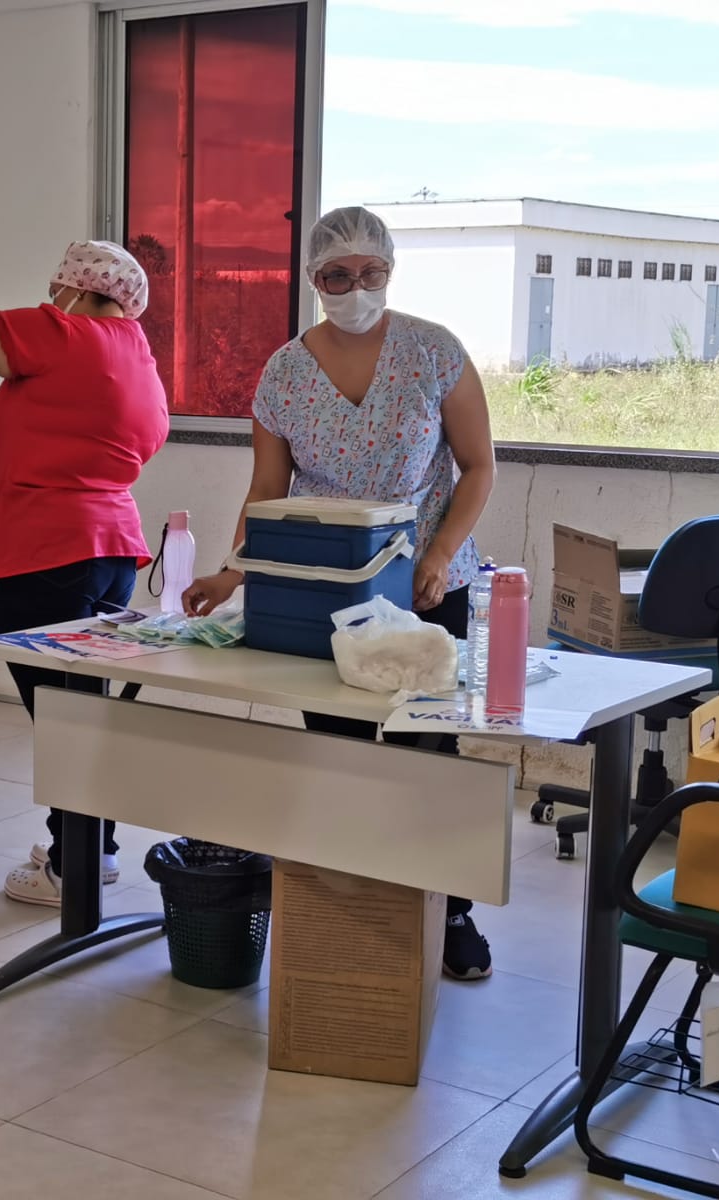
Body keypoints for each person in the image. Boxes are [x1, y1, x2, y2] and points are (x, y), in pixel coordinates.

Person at [183, 206, 498, 981]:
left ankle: (448, 912)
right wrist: (234, 569)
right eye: (337, 276)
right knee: (339, 751)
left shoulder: (434, 352)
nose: (356, 289)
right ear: (313, 279)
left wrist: (441, 553)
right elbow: (268, 487)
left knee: (431, 752)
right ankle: (358, 906)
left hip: (429, 585)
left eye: (372, 274)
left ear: (389, 271)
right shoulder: (285, 372)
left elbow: (479, 465)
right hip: (326, 587)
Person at [0, 240, 169, 906]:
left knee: (61, 718)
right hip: (109, 549)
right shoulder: (135, 355)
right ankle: (92, 850)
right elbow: (82, 442)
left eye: (53, 287)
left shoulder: (62, 331)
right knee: (82, 713)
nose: (47, 298)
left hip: (45, 551)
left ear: (74, 290)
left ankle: (72, 869)